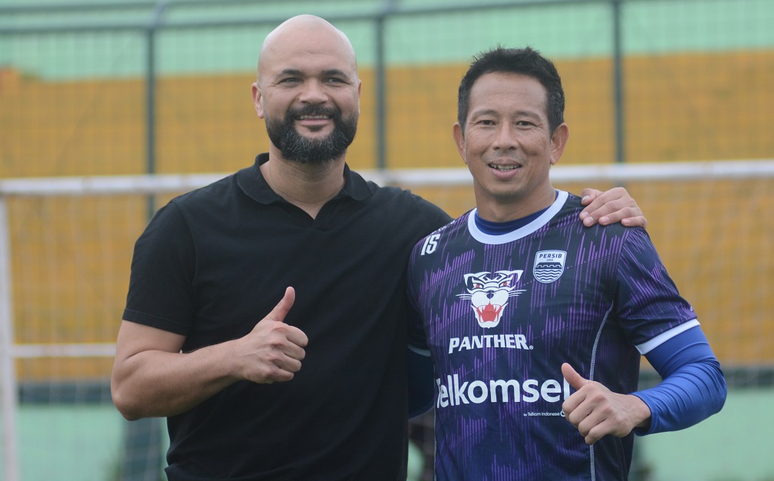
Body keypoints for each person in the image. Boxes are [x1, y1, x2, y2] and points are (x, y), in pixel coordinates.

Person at [110, 15, 647, 481]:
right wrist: (234, 356)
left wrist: (592, 215)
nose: (313, 94)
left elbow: (513, 245)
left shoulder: (415, 231)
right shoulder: (186, 227)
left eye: (333, 79)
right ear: (258, 98)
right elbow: (130, 387)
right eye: (291, 79)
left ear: (357, 96)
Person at [406, 46, 727, 480]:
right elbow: (411, 394)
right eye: (486, 122)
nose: (504, 139)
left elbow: (704, 376)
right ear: (462, 140)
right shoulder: (430, 258)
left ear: (556, 142)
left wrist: (637, 405)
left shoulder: (608, 239)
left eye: (524, 123)